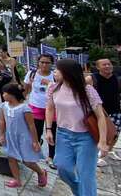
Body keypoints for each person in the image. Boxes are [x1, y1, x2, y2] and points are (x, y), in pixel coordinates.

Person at [46, 59, 109, 196]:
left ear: (68, 72)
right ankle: (78, 189)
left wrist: (102, 141)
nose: (54, 72)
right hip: (63, 134)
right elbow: (50, 109)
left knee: (86, 175)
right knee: (62, 168)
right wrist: (49, 129)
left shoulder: (87, 90)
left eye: (58, 69)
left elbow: (100, 116)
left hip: (85, 137)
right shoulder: (53, 87)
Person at [0, 84, 47, 188]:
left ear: (12, 95)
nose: (3, 95)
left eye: (5, 93)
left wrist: (35, 141)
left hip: (24, 139)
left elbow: (31, 125)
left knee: (27, 161)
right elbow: (2, 121)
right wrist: (1, 134)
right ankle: (17, 180)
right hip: (10, 137)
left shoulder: (25, 109)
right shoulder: (3, 106)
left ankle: (41, 172)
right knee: (11, 158)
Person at [23, 54, 57, 169]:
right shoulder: (32, 74)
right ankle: (34, 152)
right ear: (38, 62)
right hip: (35, 106)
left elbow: (61, 90)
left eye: (47, 62)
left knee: (52, 133)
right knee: (35, 131)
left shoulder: (55, 76)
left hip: (52, 108)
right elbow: (26, 88)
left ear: (51, 64)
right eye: (42, 62)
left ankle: (51, 157)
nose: (44, 65)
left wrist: (49, 84)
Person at [86, 58, 121, 167]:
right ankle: (96, 156)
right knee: (97, 134)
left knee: (115, 134)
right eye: (104, 65)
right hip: (98, 112)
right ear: (98, 67)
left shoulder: (118, 78)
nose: (107, 66)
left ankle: (108, 151)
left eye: (109, 64)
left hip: (115, 110)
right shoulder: (91, 78)